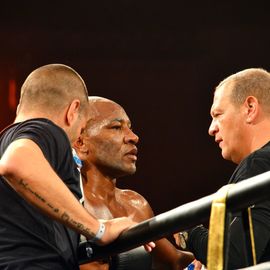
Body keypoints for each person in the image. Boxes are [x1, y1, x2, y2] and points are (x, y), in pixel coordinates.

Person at [0, 64, 154, 270]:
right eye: (81, 126)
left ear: (21, 107)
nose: (77, 137)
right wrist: (99, 229)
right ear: (73, 111)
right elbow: (16, 162)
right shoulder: (47, 130)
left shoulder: (6, 141)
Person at [73, 96, 200, 270]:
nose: (133, 137)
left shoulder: (135, 204)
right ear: (80, 142)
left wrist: (222, 255)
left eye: (130, 128)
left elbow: (175, 261)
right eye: (116, 127)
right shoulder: (66, 204)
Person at [179, 68, 270, 269]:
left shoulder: (260, 163)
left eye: (218, 114)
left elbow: (232, 258)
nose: (211, 129)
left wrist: (189, 232)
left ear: (250, 108)